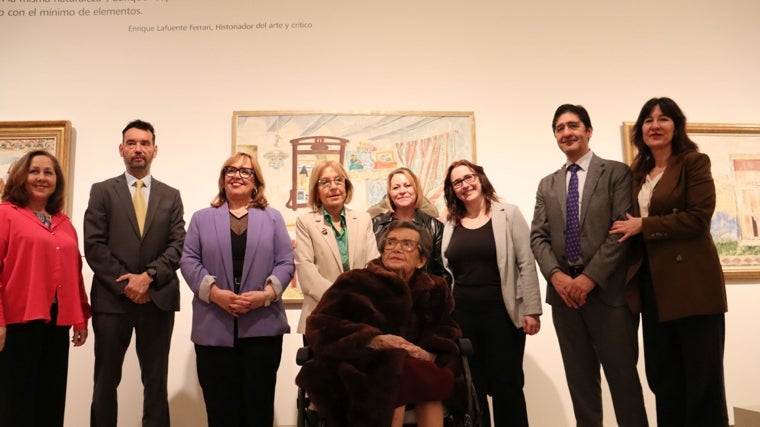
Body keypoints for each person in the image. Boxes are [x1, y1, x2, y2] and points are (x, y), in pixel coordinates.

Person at [610, 97, 728, 427]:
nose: (655, 125)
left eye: (663, 119)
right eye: (648, 120)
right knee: (663, 379)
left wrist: (644, 225)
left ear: (676, 125)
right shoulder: (636, 174)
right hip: (651, 287)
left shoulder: (693, 162)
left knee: (702, 381)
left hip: (692, 287)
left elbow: (698, 218)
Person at [530, 104, 648, 427]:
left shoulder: (616, 173)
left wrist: (588, 279)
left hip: (608, 295)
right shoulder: (547, 184)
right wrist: (556, 277)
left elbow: (621, 231)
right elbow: (537, 237)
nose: (566, 133)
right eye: (559, 128)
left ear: (589, 131)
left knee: (624, 383)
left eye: (573, 125)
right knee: (581, 386)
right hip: (564, 300)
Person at [296, 221, 463, 427]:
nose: (396, 248)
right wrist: (372, 339)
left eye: (407, 244)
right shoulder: (354, 281)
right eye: (391, 243)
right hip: (358, 365)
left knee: (420, 372)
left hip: (415, 365)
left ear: (421, 260)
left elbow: (446, 332)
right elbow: (319, 325)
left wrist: (431, 354)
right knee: (397, 373)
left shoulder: (435, 288)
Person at [180, 152, 294, 427]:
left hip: (262, 330)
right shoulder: (201, 218)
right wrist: (215, 293)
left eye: (245, 171)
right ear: (222, 180)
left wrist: (265, 296)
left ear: (256, 182)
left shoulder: (273, 218)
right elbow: (188, 260)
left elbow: (286, 262)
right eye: (230, 170)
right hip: (213, 330)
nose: (237, 176)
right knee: (220, 411)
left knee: (258, 409)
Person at [84, 119, 186, 427]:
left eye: (144, 143)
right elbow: (94, 245)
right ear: (121, 149)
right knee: (105, 383)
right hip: (112, 301)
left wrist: (149, 276)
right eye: (131, 143)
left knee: (155, 385)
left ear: (155, 150)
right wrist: (127, 283)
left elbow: (178, 243)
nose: (138, 149)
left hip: (158, 299)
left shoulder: (171, 195)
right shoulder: (102, 191)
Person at [442, 159, 542, 427]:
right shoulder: (450, 223)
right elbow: (447, 269)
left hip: (503, 315)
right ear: (452, 190)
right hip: (463, 317)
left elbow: (525, 262)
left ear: (480, 178)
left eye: (469, 177)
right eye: (458, 182)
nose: (465, 184)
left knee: (506, 386)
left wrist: (532, 309)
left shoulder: (508, 213)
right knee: (473, 388)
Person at [0, 150, 91, 426]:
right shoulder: (6, 215)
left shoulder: (65, 223)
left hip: (56, 324)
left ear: (56, 181)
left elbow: (74, 272)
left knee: (50, 400)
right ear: (21, 176)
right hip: (16, 323)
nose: (42, 177)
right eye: (34, 171)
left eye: (48, 172)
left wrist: (80, 318)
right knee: (15, 403)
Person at [295, 160, 379, 336]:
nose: (333, 187)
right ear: (316, 192)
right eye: (325, 182)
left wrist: (358, 300)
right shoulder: (306, 222)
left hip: (360, 316)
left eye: (338, 180)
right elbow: (307, 274)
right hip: (320, 317)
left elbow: (373, 268)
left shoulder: (363, 219)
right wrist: (341, 300)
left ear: (346, 186)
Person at [371, 167, 449, 282]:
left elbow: (441, 272)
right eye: (396, 187)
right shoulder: (375, 224)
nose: (402, 191)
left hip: (422, 296)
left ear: (416, 189)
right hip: (384, 295)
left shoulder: (435, 226)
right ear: (390, 194)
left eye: (407, 185)